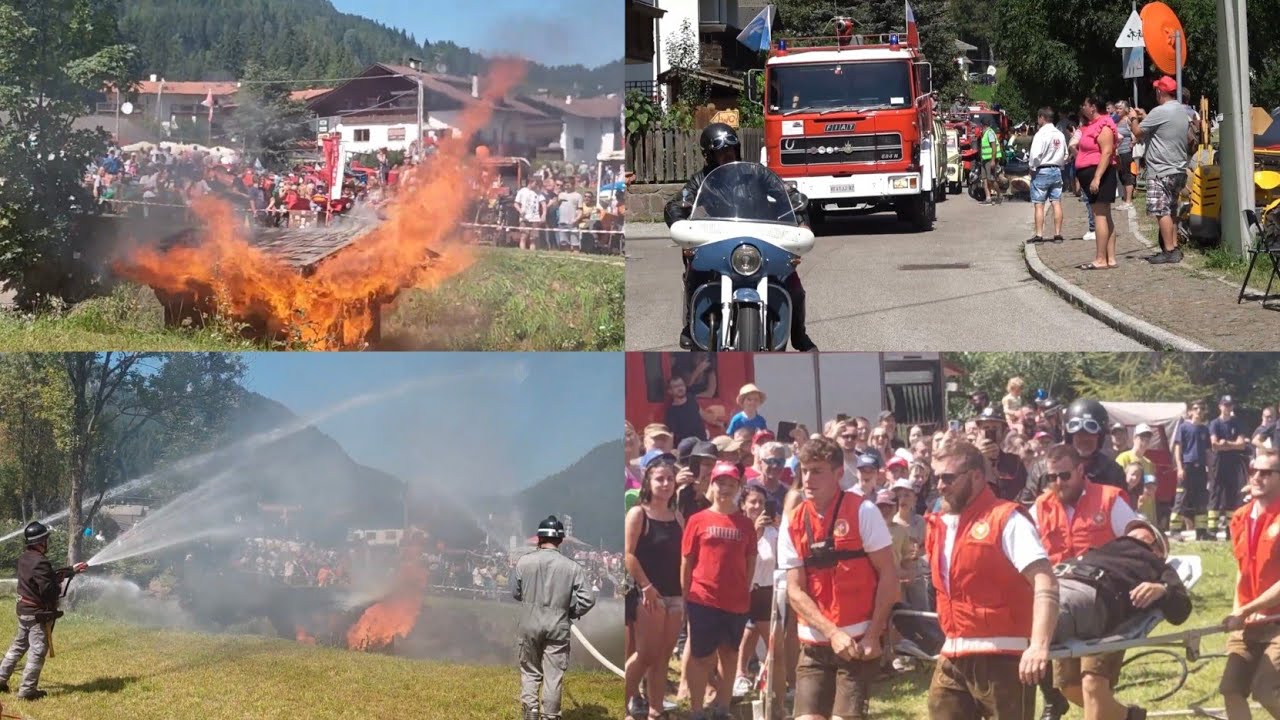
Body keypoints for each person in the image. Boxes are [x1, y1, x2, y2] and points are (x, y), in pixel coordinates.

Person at [927, 441, 1058, 719]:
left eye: (948, 477)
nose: (939, 485)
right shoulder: (939, 524)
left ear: (976, 476)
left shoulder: (1007, 519)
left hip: (1004, 656)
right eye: (936, 477)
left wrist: (1038, 646)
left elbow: (1045, 582)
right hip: (954, 652)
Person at [663, 123, 817, 351]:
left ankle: (799, 335)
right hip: (721, 239)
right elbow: (677, 204)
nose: (727, 154)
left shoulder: (757, 173)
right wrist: (680, 221)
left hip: (762, 237)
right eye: (720, 151)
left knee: (792, 284)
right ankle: (690, 326)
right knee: (695, 273)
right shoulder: (700, 180)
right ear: (709, 155)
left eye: (731, 148)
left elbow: (787, 194)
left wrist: (800, 215)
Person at [776, 437, 898, 720]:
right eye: (804, 471)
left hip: (857, 643)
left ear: (838, 473)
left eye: (817, 470)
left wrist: (873, 633)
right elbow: (794, 591)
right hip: (815, 643)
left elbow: (889, 577)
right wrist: (831, 632)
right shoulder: (793, 522)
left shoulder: (862, 511)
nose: (808, 478)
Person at [1030, 444, 1137, 720]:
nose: (1057, 483)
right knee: (1069, 686)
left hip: (1105, 604)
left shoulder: (1110, 500)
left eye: (1064, 476)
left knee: (1093, 683)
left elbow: (1142, 547)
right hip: (1064, 605)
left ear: (1080, 470)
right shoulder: (1041, 508)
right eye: (1051, 477)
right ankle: (1129, 717)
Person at [682, 461, 757, 719]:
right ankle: (696, 709)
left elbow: (750, 562)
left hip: (736, 603)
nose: (725, 488)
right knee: (701, 657)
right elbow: (687, 561)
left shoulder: (746, 524)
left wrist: (742, 590)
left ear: (738, 487)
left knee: (729, 654)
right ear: (711, 485)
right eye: (720, 482)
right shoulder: (697, 520)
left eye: (731, 484)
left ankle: (723, 708)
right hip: (702, 599)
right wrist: (685, 596)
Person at [512, 515, 596, 720]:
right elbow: (588, 599)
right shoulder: (573, 567)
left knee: (530, 671)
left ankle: (530, 713)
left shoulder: (524, 562)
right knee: (553, 676)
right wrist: (572, 611)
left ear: (540, 538)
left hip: (529, 624)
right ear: (561, 540)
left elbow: (515, 592)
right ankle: (550, 716)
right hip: (558, 626)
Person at [1221, 450, 1280, 719]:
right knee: (1231, 689)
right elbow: (1241, 571)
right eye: (1254, 470)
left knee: (1266, 690)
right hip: (1249, 622)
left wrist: (1245, 611)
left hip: (1277, 624)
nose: (1257, 476)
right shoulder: (1241, 517)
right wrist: (1238, 611)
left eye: (1266, 472)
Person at [625, 461, 686, 720]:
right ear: (648, 482)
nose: (665, 484)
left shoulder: (677, 516)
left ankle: (656, 710)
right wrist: (646, 586)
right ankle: (623, 699)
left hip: (675, 594)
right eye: (660, 479)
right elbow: (628, 554)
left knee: (662, 656)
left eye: (670, 479)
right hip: (648, 594)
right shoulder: (639, 514)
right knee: (646, 654)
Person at [0, 522, 88, 700]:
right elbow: (48, 589)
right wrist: (58, 586)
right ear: (41, 541)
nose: (47, 542)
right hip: (36, 614)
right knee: (38, 650)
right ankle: (27, 691)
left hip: (24, 611)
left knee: (18, 646)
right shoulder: (40, 561)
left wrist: (71, 570)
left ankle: (1, 679)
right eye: (46, 539)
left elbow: (44, 577)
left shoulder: (25, 558)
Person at [1128, 76, 1193, 265]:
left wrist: (1133, 119)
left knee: (1161, 210)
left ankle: (1169, 250)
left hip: (1160, 169)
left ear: (1160, 92)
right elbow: (1162, 125)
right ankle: (1173, 247)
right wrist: (1146, 116)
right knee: (1171, 209)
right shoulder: (1180, 110)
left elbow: (1138, 132)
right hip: (1178, 168)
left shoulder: (1160, 111)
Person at [1075, 95, 1120, 271]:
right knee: (1103, 214)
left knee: (1100, 215)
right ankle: (1110, 258)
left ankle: (1101, 258)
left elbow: (1107, 152)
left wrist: (1097, 177)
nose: (1082, 107)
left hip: (1100, 174)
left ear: (1093, 107)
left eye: (1084, 105)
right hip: (1090, 173)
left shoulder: (1105, 124)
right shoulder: (1090, 125)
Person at [1209, 395, 1250, 540]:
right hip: (1218, 463)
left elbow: (1242, 445)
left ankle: (1229, 529)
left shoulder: (1237, 423)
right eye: (1225, 405)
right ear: (1220, 406)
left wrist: (1226, 443)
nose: (1227, 408)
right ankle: (1212, 530)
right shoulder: (1215, 423)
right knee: (1216, 493)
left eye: (1230, 405)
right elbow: (1214, 444)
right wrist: (1230, 445)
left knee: (1232, 495)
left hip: (1233, 464)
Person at [1174, 401, 1213, 540]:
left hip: (1201, 468)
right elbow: (1178, 449)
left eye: (1202, 409)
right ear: (1190, 411)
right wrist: (1179, 467)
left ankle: (1201, 531)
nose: (1199, 411)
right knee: (1181, 498)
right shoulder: (1184, 427)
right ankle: (1174, 530)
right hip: (1187, 466)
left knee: (1201, 500)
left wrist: (1210, 470)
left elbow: (1208, 451)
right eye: (1196, 408)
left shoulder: (1205, 429)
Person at [1028, 108, 1068, 244]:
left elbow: (1035, 155)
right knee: (1056, 202)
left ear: (1042, 118)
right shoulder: (1060, 134)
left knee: (1039, 204)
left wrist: (1032, 168)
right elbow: (1065, 154)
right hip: (1056, 170)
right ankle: (1058, 234)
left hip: (1042, 170)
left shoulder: (1041, 134)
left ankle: (1039, 235)